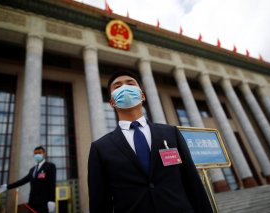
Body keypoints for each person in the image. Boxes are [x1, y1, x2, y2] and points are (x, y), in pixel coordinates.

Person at [88, 70, 213, 213]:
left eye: (130, 84)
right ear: (111, 102)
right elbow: (99, 202)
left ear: (142, 96)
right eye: (117, 87)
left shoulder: (171, 133)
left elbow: (192, 182)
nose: (125, 88)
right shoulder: (100, 147)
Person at [0, 146, 56, 213]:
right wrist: (7, 186)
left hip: (44, 203)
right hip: (32, 202)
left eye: (39, 153)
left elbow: (52, 184)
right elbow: (22, 181)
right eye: (35, 153)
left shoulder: (50, 166)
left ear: (44, 153)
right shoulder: (32, 170)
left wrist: (52, 200)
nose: (37, 155)